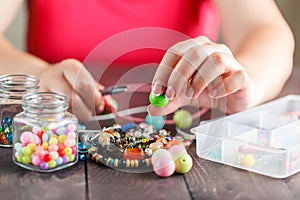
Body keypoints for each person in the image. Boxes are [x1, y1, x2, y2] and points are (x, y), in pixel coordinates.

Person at [0, 0, 294, 122]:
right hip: (52, 124)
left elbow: (266, 31)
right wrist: (40, 77)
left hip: (190, 130)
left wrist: (244, 82)